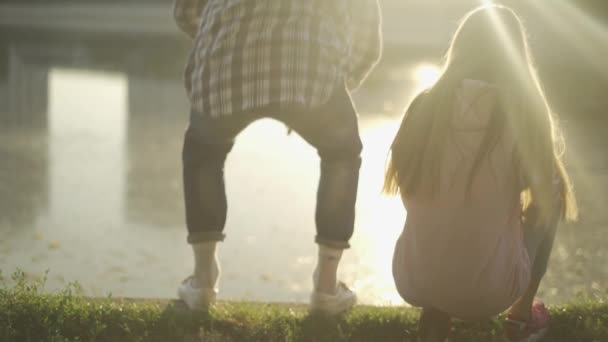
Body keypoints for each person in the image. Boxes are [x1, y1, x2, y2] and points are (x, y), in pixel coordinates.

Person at [172, 0, 382, 315]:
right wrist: (340, 80)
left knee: (204, 152)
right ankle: (326, 287)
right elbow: (366, 31)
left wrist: (223, 39)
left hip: (226, 57)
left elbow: (186, 12)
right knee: (341, 155)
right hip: (309, 61)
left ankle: (203, 281)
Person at [384, 5, 578, 341]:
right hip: (489, 295)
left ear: (460, 48)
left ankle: (436, 311)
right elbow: (544, 201)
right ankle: (520, 317)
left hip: (411, 278)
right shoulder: (520, 111)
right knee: (553, 191)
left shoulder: (424, 105)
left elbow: (406, 186)